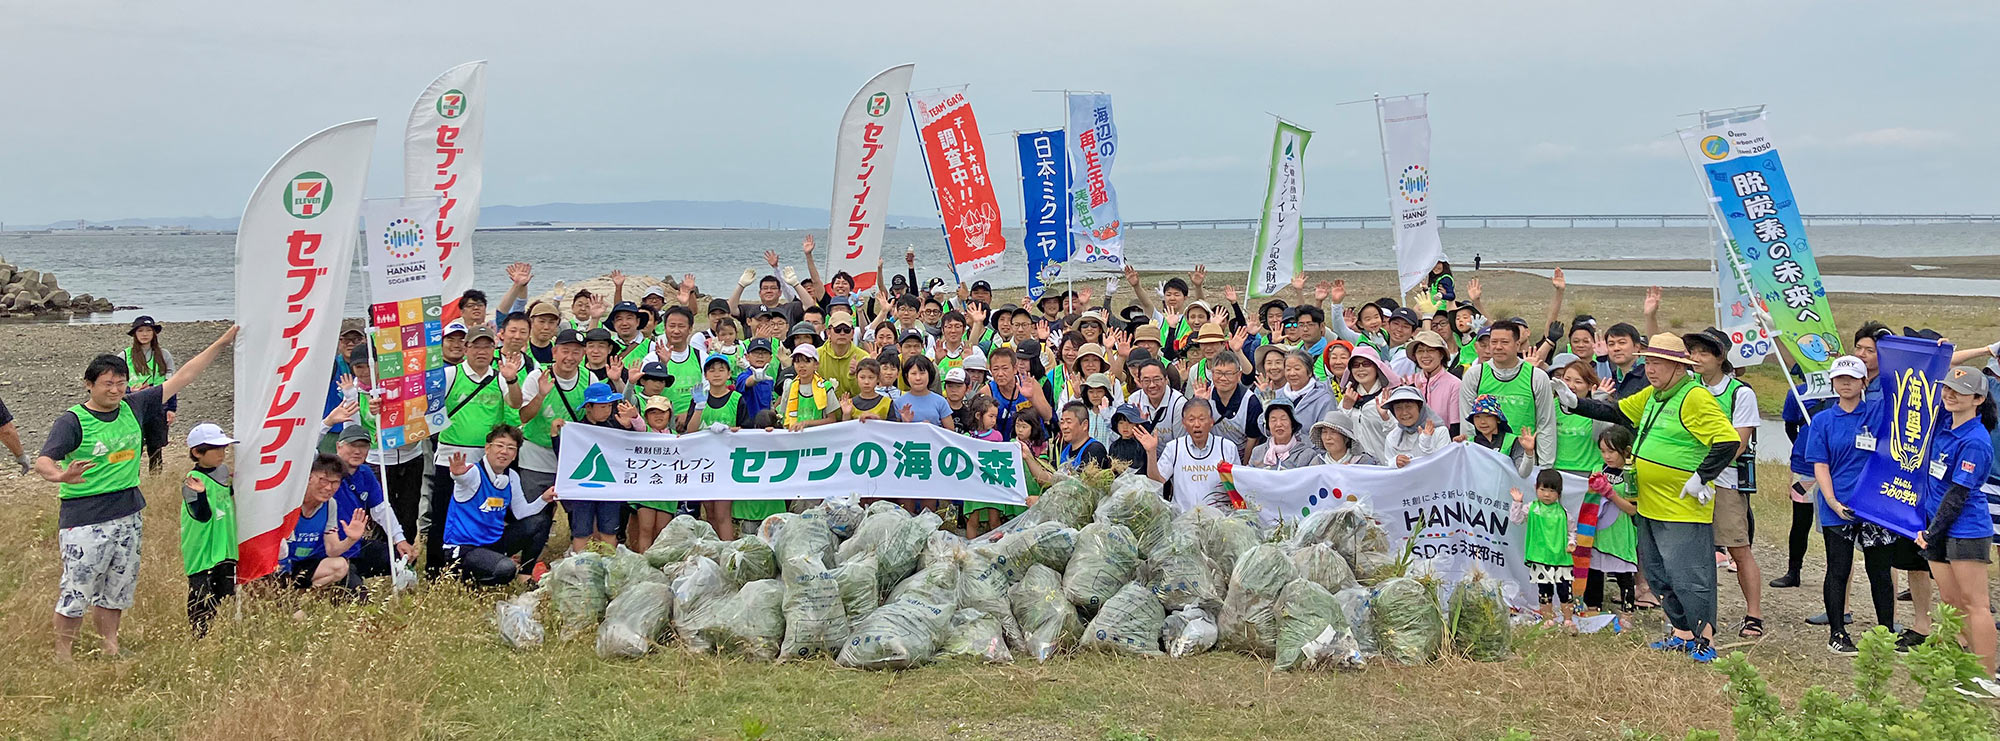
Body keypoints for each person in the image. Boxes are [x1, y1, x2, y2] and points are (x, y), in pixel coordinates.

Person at [37, 324, 237, 661]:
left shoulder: (135, 405)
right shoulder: (73, 421)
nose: (115, 389)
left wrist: (223, 341)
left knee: (118, 588)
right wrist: (61, 476)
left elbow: (184, 376)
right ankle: (63, 653)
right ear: (90, 385)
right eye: (107, 384)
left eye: (120, 382)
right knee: (78, 587)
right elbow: (44, 460)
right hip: (85, 516)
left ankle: (111, 646)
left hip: (128, 511)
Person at [1615, 333, 1742, 663]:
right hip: (1650, 501)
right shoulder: (1655, 395)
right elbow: (1618, 413)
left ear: (1677, 366)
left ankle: (1704, 639)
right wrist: (1574, 403)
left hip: (1681, 506)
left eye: (1657, 363)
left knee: (1690, 575)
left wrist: (1701, 477)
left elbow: (1727, 441)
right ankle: (1682, 632)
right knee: (1658, 573)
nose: (1650, 369)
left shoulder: (1693, 396)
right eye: (1648, 363)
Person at [1803, 355, 1906, 656]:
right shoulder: (1822, 420)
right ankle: (1837, 632)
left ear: (1864, 382)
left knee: (1879, 571)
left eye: (1852, 377)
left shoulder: (1878, 413)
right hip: (1837, 504)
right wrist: (1832, 501)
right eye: (1839, 378)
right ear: (1832, 382)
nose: (1845, 383)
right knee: (1838, 569)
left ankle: (1886, 632)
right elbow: (1820, 465)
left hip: (1874, 506)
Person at [1917, 366, 1998, 696]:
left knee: (1974, 602)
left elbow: (1958, 495)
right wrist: (1941, 352)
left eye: (1959, 391)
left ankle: (1986, 677)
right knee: (1951, 601)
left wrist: (1932, 532)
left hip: (1965, 529)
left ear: (1978, 399)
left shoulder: (1976, 441)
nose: (1949, 394)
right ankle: (1962, 667)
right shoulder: (1944, 425)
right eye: (1947, 388)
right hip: (1935, 527)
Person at [1682, 328, 1765, 639]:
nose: (1697, 358)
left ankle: (1754, 615)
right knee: (1693, 550)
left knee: (1738, 549)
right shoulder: (1689, 388)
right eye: (1693, 351)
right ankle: (1696, 615)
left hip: (1725, 481)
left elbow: (1738, 444)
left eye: (1705, 352)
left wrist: (1704, 471)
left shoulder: (1740, 393)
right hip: (1688, 480)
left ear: (1720, 357)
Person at [425, 327, 515, 577]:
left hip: (487, 461)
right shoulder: (450, 374)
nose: (481, 352)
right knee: (442, 514)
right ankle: (435, 571)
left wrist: (512, 379)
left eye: (487, 347)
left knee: (481, 515)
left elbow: (515, 405)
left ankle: (475, 566)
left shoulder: (500, 378)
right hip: (450, 457)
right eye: (476, 346)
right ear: (466, 349)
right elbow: (428, 407)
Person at [444, 426, 554, 586]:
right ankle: (470, 584)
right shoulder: (473, 472)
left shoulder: (511, 476)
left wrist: (544, 499)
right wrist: (457, 474)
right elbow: (462, 479)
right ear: (488, 448)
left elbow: (522, 512)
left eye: (511, 448)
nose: (504, 451)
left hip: (493, 543)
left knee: (541, 521)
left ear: (515, 454)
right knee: (506, 568)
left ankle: (525, 574)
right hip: (465, 548)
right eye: (500, 445)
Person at [1459, 319, 1558, 469]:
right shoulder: (1474, 375)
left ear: (1517, 345)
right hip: (1484, 458)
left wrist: (1545, 467)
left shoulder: (1536, 377)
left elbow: (1545, 424)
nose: (1498, 347)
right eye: (1494, 342)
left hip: (1523, 459)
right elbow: (1467, 422)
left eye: (1504, 342)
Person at [280, 455, 369, 597]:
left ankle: (305, 597)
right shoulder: (290, 502)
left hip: (305, 565)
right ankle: (279, 596)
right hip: (279, 564)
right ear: (308, 478)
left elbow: (332, 550)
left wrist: (351, 539)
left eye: (335, 483)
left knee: (340, 565)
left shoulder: (330, 505)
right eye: (323, 480)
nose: (329, 488)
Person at [180, 423, 238, 637]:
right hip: (203, 550)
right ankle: (199, 637)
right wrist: (202, 494)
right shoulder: (192, 481)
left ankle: (222, 635)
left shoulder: (223, 472)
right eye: (216, 449)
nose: (222, 453)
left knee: (226, 593)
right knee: (202, 596)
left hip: (226, 547)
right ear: (197, 452)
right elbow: (201, 515)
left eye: (224, 448)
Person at [331, 425, 410, 578]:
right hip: (329, 548)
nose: (358, 451)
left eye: (363, 446)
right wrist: (327, 423)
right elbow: (308, 454)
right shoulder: (325, 470)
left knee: (400, 557)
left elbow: (381, 509)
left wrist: (399, 539)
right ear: (338, 446)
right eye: (352, 445)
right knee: (357, 595)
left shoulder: (366, 473)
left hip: (356, 545)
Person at [688, 355, 752, 538]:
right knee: (709, 512)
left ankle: (727, 552)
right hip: (703, 462)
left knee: (723, 512)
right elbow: (690, 431)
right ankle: (714, 550)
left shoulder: (737, 399)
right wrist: (699, 407)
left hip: (727, 463)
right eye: (712, 370)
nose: (716, 374)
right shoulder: (699, 399)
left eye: (721, 369)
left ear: (729, 374)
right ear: (706, 375)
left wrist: (728, 430)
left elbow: (746, 431)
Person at [566, 383, 635, 553]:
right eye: (603, 406)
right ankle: (580, 567)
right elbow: (566, 459)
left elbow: (632, 448)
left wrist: (628, 427)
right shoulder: (576, 430)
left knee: (609, 529)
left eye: (610, 406)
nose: (607, 410)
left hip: (610, 488)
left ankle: (610, 566)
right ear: (588, 406)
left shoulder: (616, 426)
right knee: (581, 531)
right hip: (583, 487)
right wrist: (555, 436)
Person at [1584, 427, 1642, 617]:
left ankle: (1627, 613)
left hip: (1620, 533)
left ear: (1625, 451)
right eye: (1602, 451)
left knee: (1623, 575)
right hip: (1597, 531)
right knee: (1594, 571)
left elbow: (1633, 509)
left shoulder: (1631, 474)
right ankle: (1592, 611)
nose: (1606, 456)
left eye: (1611, 451)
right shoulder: (1597, 469)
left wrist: (1611, 494)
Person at [1143, 399, 1240, 512]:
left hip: (1219, 521)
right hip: (1182, 521)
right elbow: (1157, 481)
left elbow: (1238, 487)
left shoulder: (1227, 448)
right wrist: (1151, 452)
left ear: (1211, 421)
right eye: (1191, 419)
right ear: (1184, 423)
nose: (1197, 424)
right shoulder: (1174, 447)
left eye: (1202, 419)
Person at [1512, 470, 1575, 627]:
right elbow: (1515, 519)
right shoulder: (1532, 508)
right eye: (1543, 490)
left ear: (1559, 493)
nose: (1547, 494)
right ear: (1536, 488)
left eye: (1552, 491)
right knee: (1544, 591)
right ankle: (1548, 620)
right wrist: (1517, 503)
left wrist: (1572, 543)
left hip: (1561, 558)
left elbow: (1571, 531)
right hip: (1540, 558)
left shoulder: (1563, 513)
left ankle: (1568, 620)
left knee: (1565, 590)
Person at [122, 315, 178, 471]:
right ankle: (133, 478)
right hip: (133, 406)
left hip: (157, 405)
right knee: (134, 447)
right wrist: (129, 390)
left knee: (156, 447)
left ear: (154, 333)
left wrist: (171, 408)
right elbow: (117, 381)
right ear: (135, 334)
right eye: (140, 330)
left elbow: (171, 383)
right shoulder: (125, 355)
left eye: (148, 330)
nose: (144, 334)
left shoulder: (164, 355)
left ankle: (156, 480)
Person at [1382, 385, 1451, 468]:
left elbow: (1445, 465)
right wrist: (1394, 463)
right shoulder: (1393, 437)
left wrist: (1426, 446)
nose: (1404, 413)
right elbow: (1387, 467)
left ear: (1420, 407)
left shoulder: (1440, 431)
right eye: (1398, 408)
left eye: (1409, 407)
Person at [1247, 401, 1315, 470]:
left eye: (1283, 419)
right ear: (1268, 426)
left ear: (1293, 424)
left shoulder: (1307, 455)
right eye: (1273, 420)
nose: (1279, 424)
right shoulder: (1258, 452)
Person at [892, 356, 953, 428]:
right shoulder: (898, 402)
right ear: (906, 376)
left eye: (922, 373)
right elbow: (894, 432)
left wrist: (933, 428)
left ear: (929, 375)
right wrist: (906, 423)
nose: (918, 378)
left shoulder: (940, 401)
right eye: (913, 373)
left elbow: (950, 431)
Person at [1307, 410, 1378, 466]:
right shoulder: (1317, 463)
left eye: (1333, 432)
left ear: (1346, 437)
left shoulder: (1363, 462)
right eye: (1324, 432)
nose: (1328, 437)